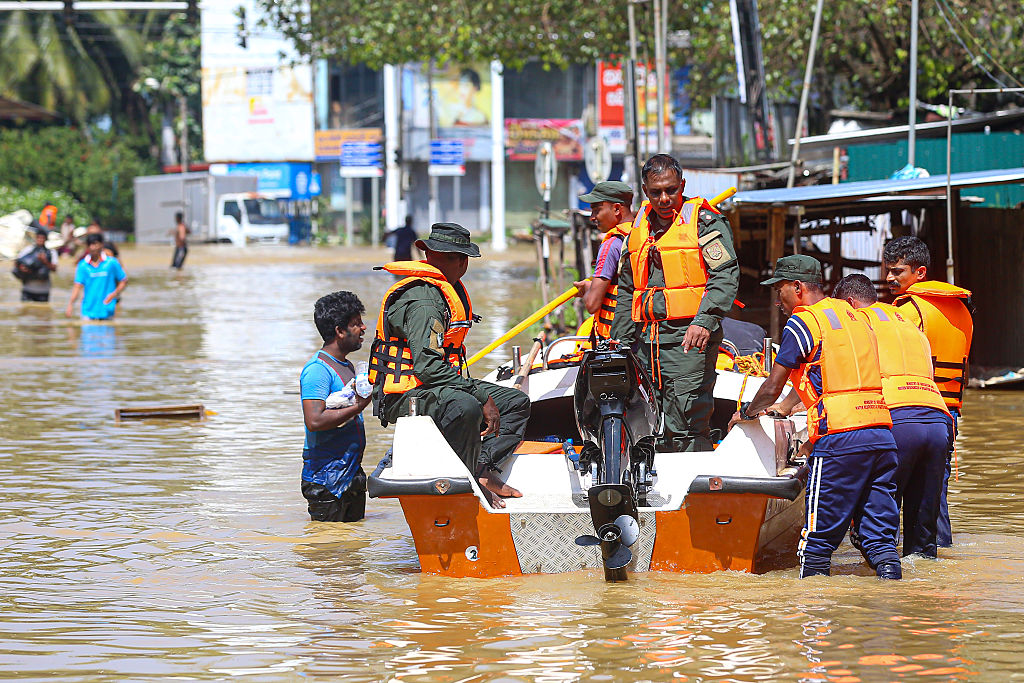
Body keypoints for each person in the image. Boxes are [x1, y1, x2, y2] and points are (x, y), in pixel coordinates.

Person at [728, 255, 902, 579]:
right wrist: (790, 404)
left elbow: (772, 384)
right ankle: (892, 610)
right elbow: (832, 374)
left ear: (797, 287)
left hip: (840, 438)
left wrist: (747, 413)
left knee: (816, 544)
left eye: (779, 289)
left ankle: (811, 620)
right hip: (881, 433)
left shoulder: (804, 321)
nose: (777, 299)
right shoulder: (856, 317)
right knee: (880, 542)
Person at [368, 222, 531, 508]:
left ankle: (483, 470)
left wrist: (484, 396)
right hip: (404, 395)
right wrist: (480, 396)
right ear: (462, 260)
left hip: (433, 386)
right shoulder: (424, 302)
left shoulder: (443, 292)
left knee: (516, 402)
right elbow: (427, 368)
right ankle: (466, 483)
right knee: (465, 406)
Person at [610, 154, 740, 452]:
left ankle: (696, 487)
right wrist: (619, 341)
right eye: (656, 192)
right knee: (643, 423)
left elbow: (725, 276)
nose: (664, 198)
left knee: (686, 423)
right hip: (646, 343)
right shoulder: (638, 228)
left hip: (688, 341)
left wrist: (704, 321)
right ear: (645, 190)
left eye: (671, 190)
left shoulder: (705, 223)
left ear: (682, 185)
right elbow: (629, 290)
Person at [834, 273, 954, 558]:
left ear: (850, 303)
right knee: (923, 541)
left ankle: (881, 595)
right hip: (939, 421)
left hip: (898, 421)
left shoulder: (858, 324)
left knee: (872, 526)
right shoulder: (908, 323)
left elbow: (848, 382)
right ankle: (920, 595)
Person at [883, 235, 973, 547]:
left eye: (898, 272)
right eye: (889, 271)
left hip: (910, 410)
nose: (889, 278)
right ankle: (939, 558)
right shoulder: (962, 310)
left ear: (920, 273)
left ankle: (884, 556)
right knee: (933, 496)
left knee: (889, 491)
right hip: (948, 414)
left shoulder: (907, 311)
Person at [300, 291, 371, 522]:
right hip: (325, 478)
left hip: (350, 472)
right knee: (326, 551)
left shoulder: (348, 366)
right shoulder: (318, 370)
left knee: (352, 547)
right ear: (340, 331)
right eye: (356, 324)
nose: (363, 328)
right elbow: (315, 421)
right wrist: (358, 407)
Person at [573, 181, 635, 339]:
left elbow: (592, 304)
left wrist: (588, 289)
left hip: (615, 339)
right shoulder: (642, 235)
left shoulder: (611, 245)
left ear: (616, 209)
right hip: (640, 336)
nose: (592, 217)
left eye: (597, 210)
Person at [65, 233, 127, 320]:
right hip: (88, 312)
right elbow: (77, 286)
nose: (92, 247)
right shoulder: (83, 265)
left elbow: (123, 280)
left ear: (101, 245)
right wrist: (70, 304)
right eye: (89, 244)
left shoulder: (111, 263)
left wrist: (114, 294)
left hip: (107, 311)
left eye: (95, 244)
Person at [13, 226, 58, 302]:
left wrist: (45, 261)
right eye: (39, 238)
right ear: (36, 238)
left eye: (42, 238)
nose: (40, 240)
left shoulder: (51, 252)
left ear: (46, 239)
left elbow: (54, 269)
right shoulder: (28, 250)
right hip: (28, 289)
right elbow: (16, 262)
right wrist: (22, 268)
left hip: (43, 290)